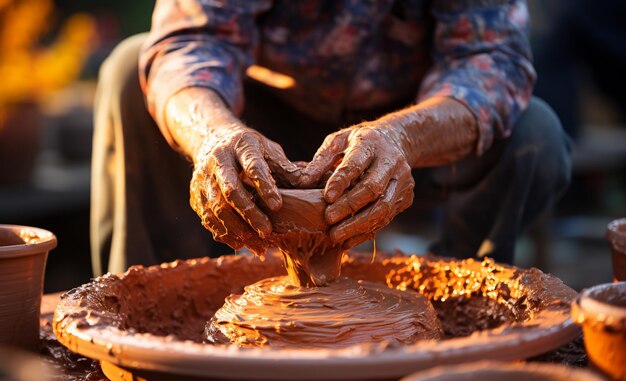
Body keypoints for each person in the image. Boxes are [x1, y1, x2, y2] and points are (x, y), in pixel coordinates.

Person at [90, 0, 571, 276]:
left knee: (536, 134)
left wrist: (401, 136)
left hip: (414, 130)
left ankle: (457, 311)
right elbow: (190, 42)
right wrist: (215, 134)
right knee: (127, 76)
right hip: (267, 121)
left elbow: (491, 61)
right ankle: (158, 314)